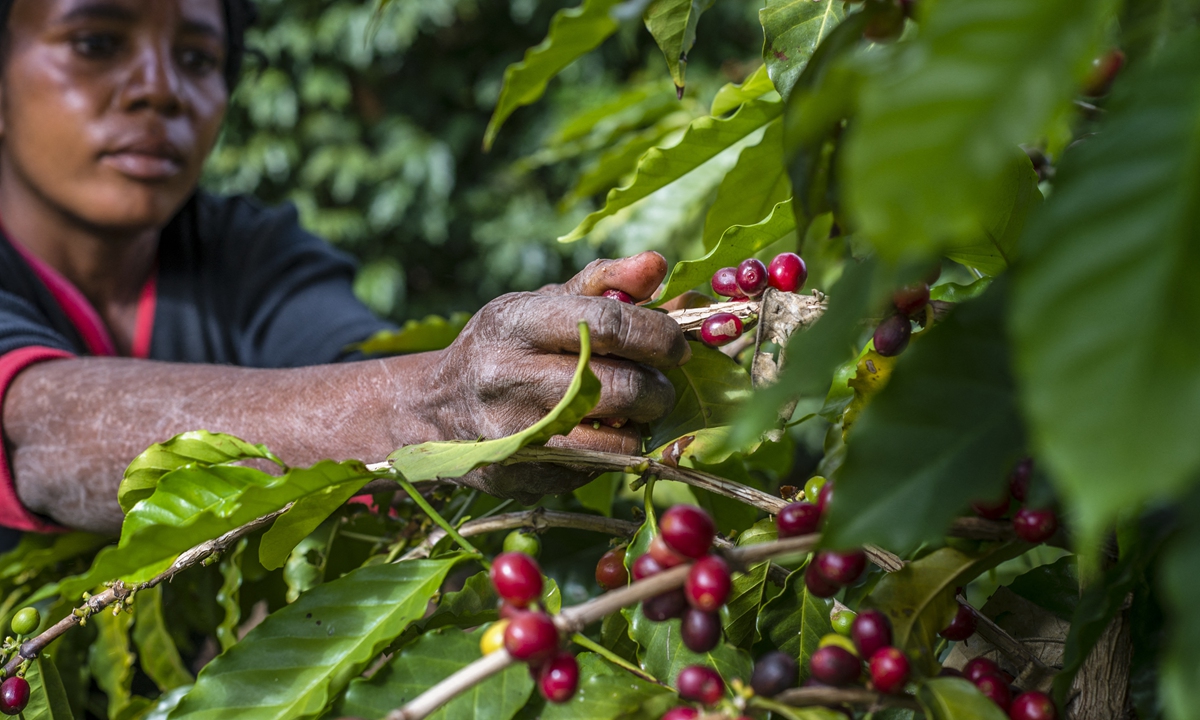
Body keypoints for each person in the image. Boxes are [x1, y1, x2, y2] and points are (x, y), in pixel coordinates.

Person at [0, 0, 688, 537]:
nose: (161, 90)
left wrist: (543, 374)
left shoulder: (251, 252)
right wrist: (438, 407)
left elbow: (353, 375)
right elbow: (40, 432)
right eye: (95, 43)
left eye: (197, 57)